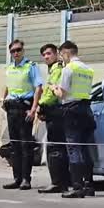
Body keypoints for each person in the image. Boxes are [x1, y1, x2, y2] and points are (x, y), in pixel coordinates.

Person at [54, 40, 96, 199]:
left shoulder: (68, 68)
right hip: (86, 110)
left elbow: (62, 94)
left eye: (61, 55)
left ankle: (77, 186)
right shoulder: (88, 69)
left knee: (74, 148)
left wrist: (54, 89)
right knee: (86, 148)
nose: (61, 58)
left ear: (66, 53)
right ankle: (89, 185)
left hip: (71, 110)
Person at [0, 39, 43, 190]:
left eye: (18, 50)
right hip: (11, 107)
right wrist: (2, 99)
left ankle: (26, 179)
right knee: (15, 144)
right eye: (13, 51)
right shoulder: (10, 68)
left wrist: (33, 109)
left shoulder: (30, 66)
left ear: (23, 51)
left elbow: (38, 88)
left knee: (26, 145)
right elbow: (7, 85)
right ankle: (17, 178)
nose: (16, 53)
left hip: (24, 106)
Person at [37, 43, 70, 194]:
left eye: (49, 53)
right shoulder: (55, 69)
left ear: (56, 53)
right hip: (58, 111)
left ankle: (57, 182)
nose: (46, 57)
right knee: (58, 147)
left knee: (54, 148)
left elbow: (50, 94)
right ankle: (62, 181)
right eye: (44, 55)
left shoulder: (57, 69)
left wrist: (40, 105)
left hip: (56, 111)